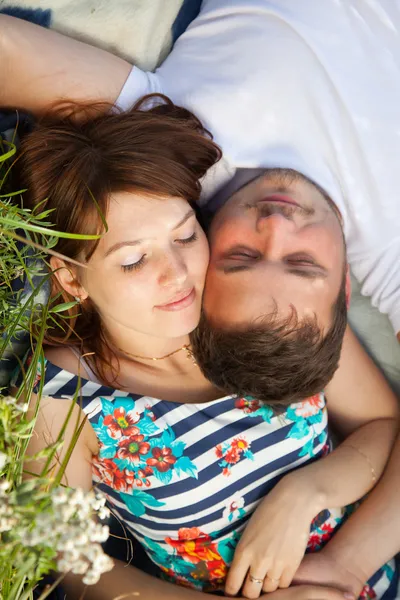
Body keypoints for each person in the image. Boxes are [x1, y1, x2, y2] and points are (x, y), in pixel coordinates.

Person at [12, 102, 399, 600]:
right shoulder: (59, 398)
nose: (177, 273)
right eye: (133, 260)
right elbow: (66, 558)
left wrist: (306, 493)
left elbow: (383, 425)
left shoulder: (256, 297)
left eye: (185, 235)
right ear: (69, 278)